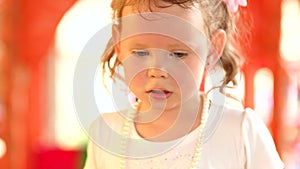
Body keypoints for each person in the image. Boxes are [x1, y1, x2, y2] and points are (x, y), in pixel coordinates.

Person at [83, 0, 284, 168]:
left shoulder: (240, 132)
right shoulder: (104, 133)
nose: (157, 71)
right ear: (119, 44)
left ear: (213, 50)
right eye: (141, 52)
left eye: (178, 54)